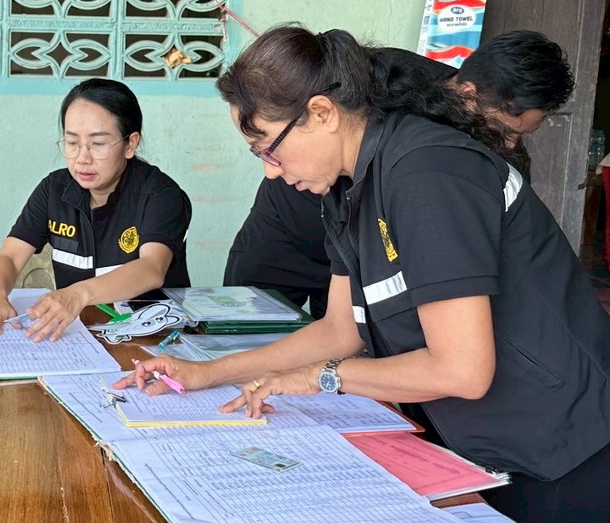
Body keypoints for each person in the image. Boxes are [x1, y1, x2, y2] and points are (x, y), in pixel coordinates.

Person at [121, 25, 610, 523]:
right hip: (486, 429)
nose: (268, 169)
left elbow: (462, 369)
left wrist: (325, 377)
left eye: (268, 148)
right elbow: (338, 330)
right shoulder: (348, 185)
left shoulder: (427, 173)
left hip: (562, 433)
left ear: (323, 112)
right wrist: (208, 373)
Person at [224, 32, 574, 317]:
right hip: (287, 228)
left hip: (359, 260)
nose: (510, 144)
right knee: (237, 327)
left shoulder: (478, 160)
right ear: (469, 94)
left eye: (521, 134)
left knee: (345, 355)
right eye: (504, 129)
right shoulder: (384, 77)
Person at [0, 78, 193, 342]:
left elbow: (151, 268)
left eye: (98, 143)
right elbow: (10, 256)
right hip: (77, 335)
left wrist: (77, 294)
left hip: (155, 338)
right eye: (72, 143)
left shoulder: (160, 195)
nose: (83, 158)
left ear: (130, 144)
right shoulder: (54, 190)